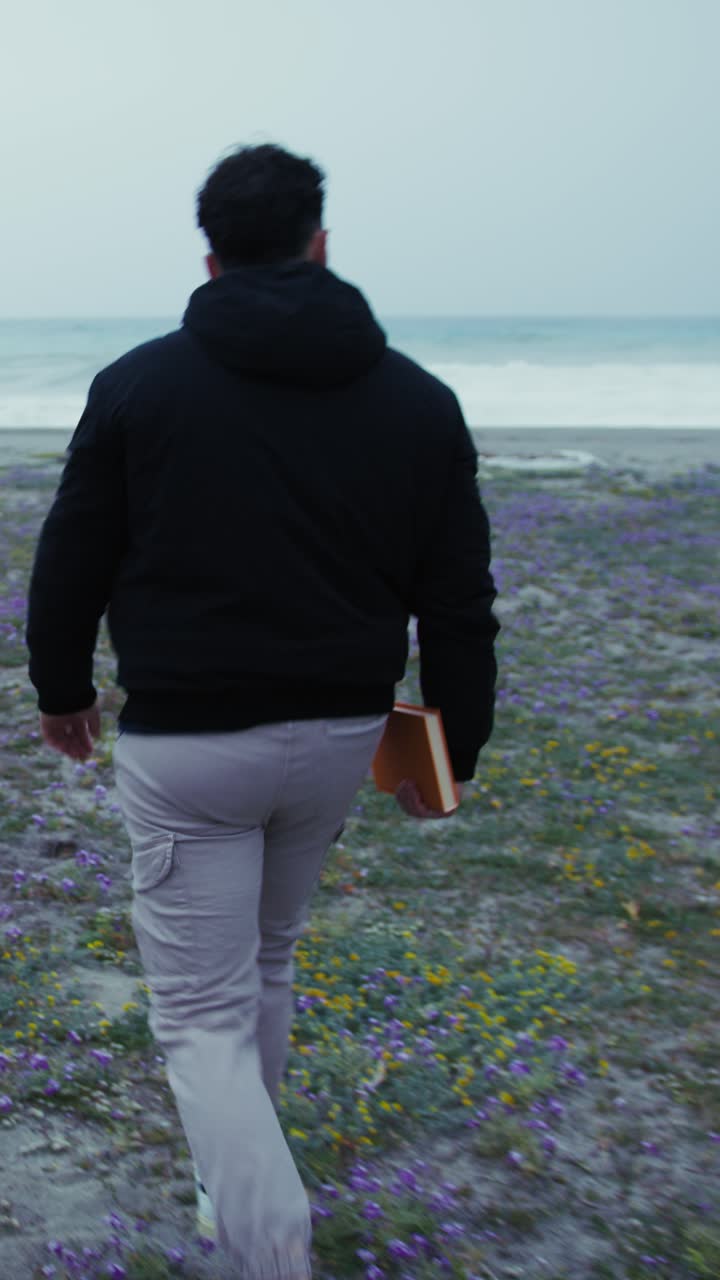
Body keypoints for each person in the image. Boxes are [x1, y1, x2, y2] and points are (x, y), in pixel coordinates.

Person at [26, 143, 499, 1280]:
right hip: (336, 734)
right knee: (267, 961)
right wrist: (456, 744)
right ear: (319, 242)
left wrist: (62, 689)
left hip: (190, 743)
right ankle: (231, 1187)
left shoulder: (143, 382)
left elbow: (70, 555)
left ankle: (261, 1233)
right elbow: (458, 598)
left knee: (198, 1008)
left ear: (211, 256)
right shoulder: (418, 400)